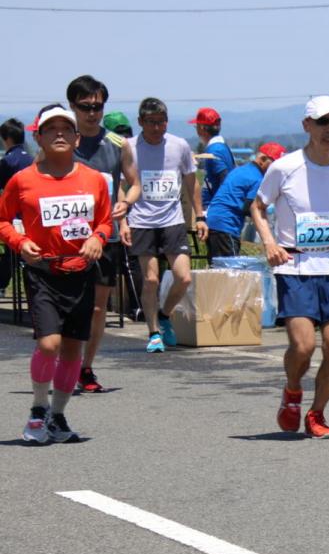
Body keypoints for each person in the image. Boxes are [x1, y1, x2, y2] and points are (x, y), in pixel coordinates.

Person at [250, 96, 329, 439]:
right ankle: (292, 390)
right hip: (294, 265)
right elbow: (257, 207)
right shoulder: (285, 168)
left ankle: (317, 413)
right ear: (307, 126)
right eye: (323, 122)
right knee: (303, 346)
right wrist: (269, 243)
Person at [0, 105, 112, 443]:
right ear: (39, 138)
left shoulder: (93, 179)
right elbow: (3, 220)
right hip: (43, 271)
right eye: (51, 129)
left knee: (72, 350)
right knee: (49, 344)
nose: (59, 134)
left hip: (80, 271)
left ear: (77, 138)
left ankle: (59, 416)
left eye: (67, 129)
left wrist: (98, 237)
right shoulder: (23, 180)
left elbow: (106, 221)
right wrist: (19, 242)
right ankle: (37, 409)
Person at [66, 75, 137, 393]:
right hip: (67, 238)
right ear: (73, 106)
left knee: (98, 307)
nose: (92, 112)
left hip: (105, 236)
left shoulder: (118, 144)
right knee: (68, 305)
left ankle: (86, 367)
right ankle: (65, 361)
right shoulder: (63, 140)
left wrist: (125, 202)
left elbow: (135, 183)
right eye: (85, 106)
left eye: (98, 106)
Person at [120, 97, 204, 353]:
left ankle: (165, 314)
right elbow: (121, 187)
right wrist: (122, 221)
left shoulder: (179, 145)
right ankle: (154, 331)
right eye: (151, 123)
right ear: (140, 122)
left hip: (172, 221)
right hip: (142, 221)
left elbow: (192, 183)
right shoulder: (130, 147)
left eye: (161, 122)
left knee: (184, 277)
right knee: (151, 279)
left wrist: (200, 216)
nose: (157, 128)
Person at [206, 142, 286, 258]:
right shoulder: (257, 179)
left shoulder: (241, 170)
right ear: (262, 160)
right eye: (275, 164)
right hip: (227, 225)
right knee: (229, 269)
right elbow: (252, 208)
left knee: (217, 268)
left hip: (215, 221)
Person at [0, 118, 34, 294]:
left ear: (6, 138)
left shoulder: (8, 161)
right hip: (32, 217)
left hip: (14, 219)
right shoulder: (32, 159)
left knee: (10, 255)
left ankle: (2, 284)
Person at [189, 107, 236, 210]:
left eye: (196, 126)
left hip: (216, 210)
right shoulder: (220, 146)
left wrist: (220, 208)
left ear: (202, 128)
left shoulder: (214, 151)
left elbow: (225, 178)